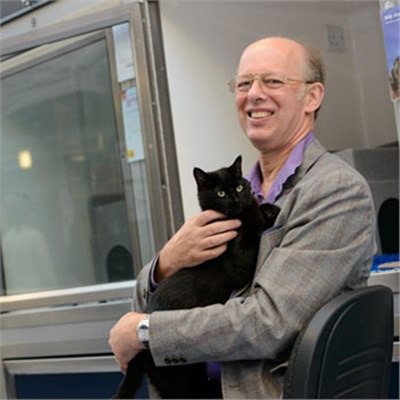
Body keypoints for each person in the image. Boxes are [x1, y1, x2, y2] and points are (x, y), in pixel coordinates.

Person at [109, 36, 376, 398]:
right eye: (244, 83)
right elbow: (152, 304)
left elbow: (268, 323)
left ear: (312, 97)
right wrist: (165, 264)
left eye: (273, 81)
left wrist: (146, 332)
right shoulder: (233, 194)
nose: (254, 94)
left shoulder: (334, 191)